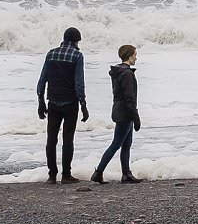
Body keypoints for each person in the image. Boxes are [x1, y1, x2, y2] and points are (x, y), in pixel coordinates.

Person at [35, 27, 89, 183]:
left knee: (51, 139)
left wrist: (40, 101)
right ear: (76, 41)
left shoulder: (51, 53)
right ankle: (66, 175)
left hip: (52, 102)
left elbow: (42, 79)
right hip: (70, 103)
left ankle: (52, 175)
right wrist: (83, 104)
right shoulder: (77, 55)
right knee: (68, 139)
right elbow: (79, 82)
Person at [91, 43, 141, 183]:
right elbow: (129, 98)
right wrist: (136, 117)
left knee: (126, 144)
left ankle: (126, 174)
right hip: (125, 113)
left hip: (120, 111)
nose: (136, 58)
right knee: (116, 144)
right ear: (130, 55)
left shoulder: (119, 71)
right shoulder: (126, 74)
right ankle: (98, 172)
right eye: (135, 55)